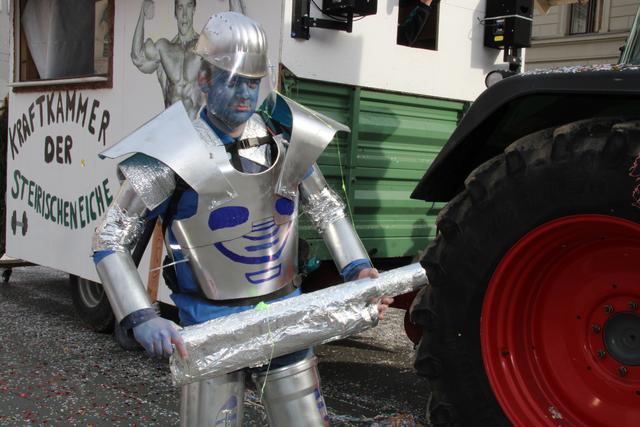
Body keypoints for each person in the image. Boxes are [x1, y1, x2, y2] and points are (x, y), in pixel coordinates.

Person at [93, 11, 392, 426]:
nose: (244, 94)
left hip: (284, 315)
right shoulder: (168, 154)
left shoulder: (285, 141)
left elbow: (326, 207)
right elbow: (111, 237)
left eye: (252, 83)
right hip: (210, 325)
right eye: (232, 81)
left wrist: (357, 268)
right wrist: (140, 315)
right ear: (204, 78)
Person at [131, 0, 202, 119]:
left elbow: (234, 54)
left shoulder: (205, 48)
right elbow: (137, 58)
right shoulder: (164, 48)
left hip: (197, 125)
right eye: (180, 7)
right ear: (175, 12)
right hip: (171, 124)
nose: (184, 14)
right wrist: (142, 13)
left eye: (189, 6)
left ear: (194, 10)